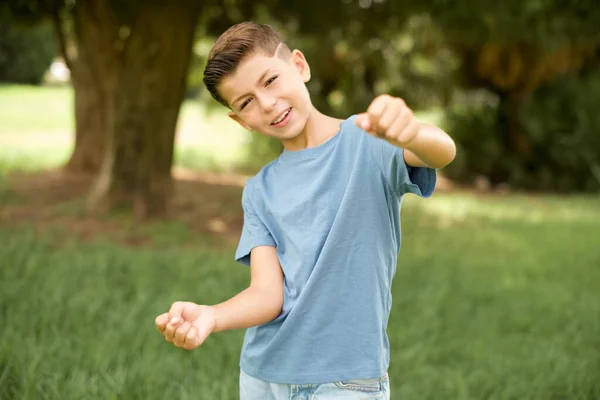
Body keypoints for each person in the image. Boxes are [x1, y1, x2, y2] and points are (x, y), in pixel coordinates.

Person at [155, 21, 456, 399]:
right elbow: (268, 294)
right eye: (246, 102)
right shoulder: (259, 191)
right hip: (264, 376)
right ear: (239, 120)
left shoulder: (368, 141)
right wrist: (212, 316)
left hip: (346, 379)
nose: (267, 104)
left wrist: (410, 132)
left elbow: (442, 151)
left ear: (299, 66)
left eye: (270, 80)